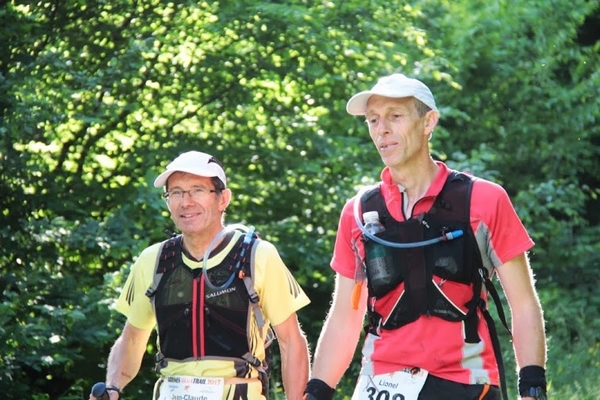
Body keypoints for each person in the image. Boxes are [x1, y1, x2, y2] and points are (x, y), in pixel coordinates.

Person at [304, 74, 547, 400]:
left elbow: (523, 303)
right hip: (381, 383)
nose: (382, 129)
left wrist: (532, 386)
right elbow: (346, 317)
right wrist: (317, 391)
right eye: (373, 120)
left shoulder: (485, 200)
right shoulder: (358, 212)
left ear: (428, 122)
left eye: (395, 116)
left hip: (466, 383)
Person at [90, 151, 311, 400]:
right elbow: (132, 338)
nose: (185, 202)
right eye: (176, 192)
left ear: (223, 199)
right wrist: (112, 387)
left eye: (197, 190)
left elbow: (291, 341)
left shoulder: (257, 256)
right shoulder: (153, 261)